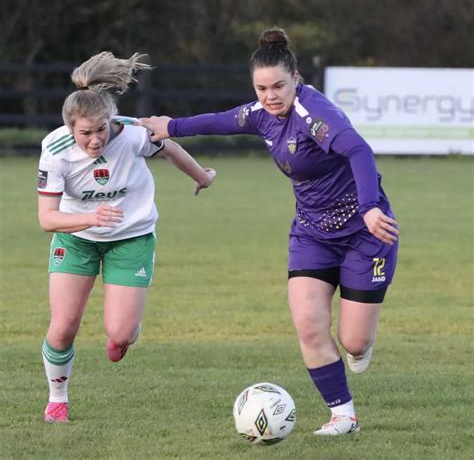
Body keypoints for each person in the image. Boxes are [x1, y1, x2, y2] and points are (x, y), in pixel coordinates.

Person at [137, 28, 399, 435]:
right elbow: (224, 121)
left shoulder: (315, 114)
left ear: (296, 79)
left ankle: (358, 347)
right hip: (311, 235)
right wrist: (172, 126)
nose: (269, 95)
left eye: (278, 86)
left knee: (354, 342)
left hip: (366, 234)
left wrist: (368, 209)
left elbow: (359, 151)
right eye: (261, 88)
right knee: (310, 325)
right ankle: (343, 416)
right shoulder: (263, 114)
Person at [37, 51, 216, 423]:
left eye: (101, 129)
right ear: (70, 127)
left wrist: (202, 176)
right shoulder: (55, 151)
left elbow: (170, 148)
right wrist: (89, 217)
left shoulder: (132, 133)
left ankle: (123, 333)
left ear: (110, 119)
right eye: (85, 133)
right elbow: (47, 220)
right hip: (77, 239)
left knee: (120, 333)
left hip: (131, 238)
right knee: (63, 327)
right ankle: (58, 400)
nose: (95, 139)